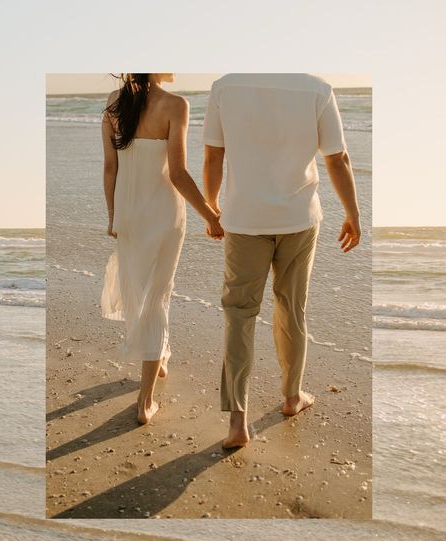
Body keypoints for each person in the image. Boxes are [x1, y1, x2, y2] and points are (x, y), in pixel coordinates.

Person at [202, 73, 361, 448]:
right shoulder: (317, 89)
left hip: (245, 219)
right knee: (292, 307)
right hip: (299, 218)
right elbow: (337, 157)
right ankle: (292, 397)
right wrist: (353, 213)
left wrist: (212, 206)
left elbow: (213, 154)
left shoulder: (225, 87)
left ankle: (238, 422)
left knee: (239, 314)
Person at [101, 73, 223, 425]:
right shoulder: (176, 105)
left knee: (145, 290)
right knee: (157, 294)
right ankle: (145, 402)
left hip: (128, 212)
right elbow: (178, 174)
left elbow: (111, 167)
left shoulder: (113, 101)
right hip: (164, 215)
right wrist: (212, 216)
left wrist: (112, 215)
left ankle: (161, 353)